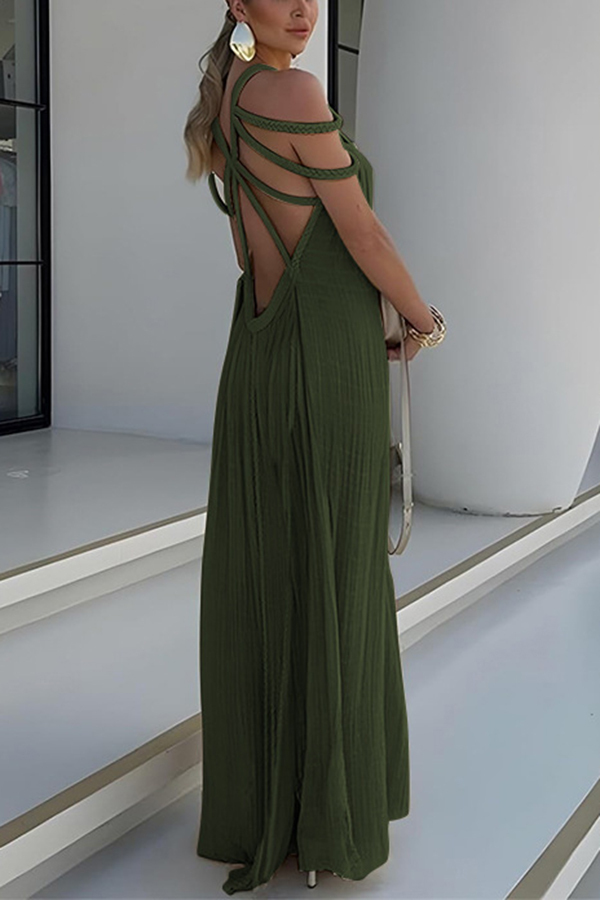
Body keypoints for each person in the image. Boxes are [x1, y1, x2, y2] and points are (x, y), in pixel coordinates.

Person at [183, 1, 442, 894]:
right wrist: (424, 320)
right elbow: (362, 231)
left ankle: (272, 811)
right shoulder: (292, 92)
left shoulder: (226, 94)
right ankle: (328, 820)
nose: (301, 8)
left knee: (271, 573)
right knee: (335, 572)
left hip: (259, 353)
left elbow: (251, 253)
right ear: (237, 2)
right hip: (325, 357)